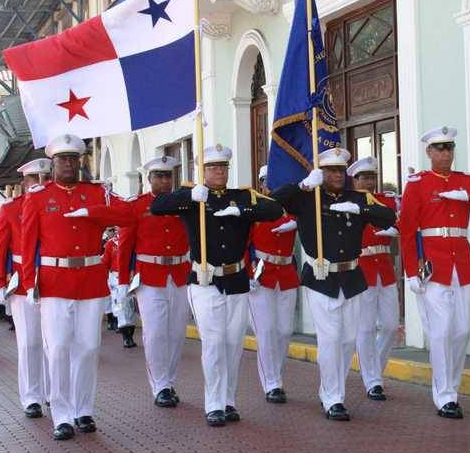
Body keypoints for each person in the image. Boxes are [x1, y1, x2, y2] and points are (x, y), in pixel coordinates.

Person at [150, 144, 283, 427]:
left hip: (236, 279)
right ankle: (214, 404)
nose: (219, 172)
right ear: (203, 170)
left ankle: (228, 400)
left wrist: (241, 211)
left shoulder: (242, 196)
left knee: (233, 344)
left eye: (223, 167)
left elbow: (274, 209)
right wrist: (189, 195)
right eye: (212, 167)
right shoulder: (194, 196)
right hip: (204, 280)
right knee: (213, 343)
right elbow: (157, 206)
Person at [271, 148, 397, 421]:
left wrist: (361, 209)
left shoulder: (357, 197)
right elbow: (273, 202)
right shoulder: (307, 198)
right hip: (321, 277)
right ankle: (333, 398)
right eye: (331, 171)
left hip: (351, 277)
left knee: (348, 340)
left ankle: (331, 390)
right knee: (330, 339)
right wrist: (303, 185)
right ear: (321, 172)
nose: (337, 175)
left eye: (340, 170)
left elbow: (388, 217)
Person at [399, 126, 470, 419]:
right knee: (442, 330)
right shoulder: (418, 184)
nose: (445, 153)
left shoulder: (467, 181)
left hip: (462, 265)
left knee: (461, 331)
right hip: (433, 267)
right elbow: (407, 230)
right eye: (440, 148)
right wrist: (411, 271)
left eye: (449, 148)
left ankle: (452, 388)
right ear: (429, 152)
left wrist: (469, 197)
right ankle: (445, 396)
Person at [66, 156, 190, 408]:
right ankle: (160, 386)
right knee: (155, 333)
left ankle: (170, 380)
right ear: (149, 179)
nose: (164, 180)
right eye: (159, 176)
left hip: (179, 273)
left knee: (176, 333)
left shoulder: (184, 203)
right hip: (149, 275)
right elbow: (124, 246)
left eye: (168, 176)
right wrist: (123, 280)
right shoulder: (138, 205)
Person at [21, 134, 122, 441]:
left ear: (80, 162)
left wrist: (95, 211)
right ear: (52, 164)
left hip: (90, 278)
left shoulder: (97, 193)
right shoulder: (38, 196)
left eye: (73, 159)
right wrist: (28, 282)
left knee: (89, 347)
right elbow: (28, 243)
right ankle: (62, 414)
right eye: (62, 159)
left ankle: (83, 409)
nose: (68, 163)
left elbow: (127, 217)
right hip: (54, 281)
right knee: (58, 349)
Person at [0, 158, 52, 418]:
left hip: (53, 280)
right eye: (34, 179)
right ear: (24, 183)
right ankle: (32, 397)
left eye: (45, 178)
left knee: (54, 342)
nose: (40, 183)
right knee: (29, 342)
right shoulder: (11, 208)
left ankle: (53, 393)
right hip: (21, 282)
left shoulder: (56, 204)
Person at [348, 157, 400, 402]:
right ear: (355, 180)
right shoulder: (348, 203)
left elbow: (402, 222)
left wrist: (396, 228)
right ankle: (373, 381)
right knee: (366, 327)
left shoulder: (387, 200)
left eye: (372, 177)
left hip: (385, 268)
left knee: (391, 325)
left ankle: (374, 370)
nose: (369, 182)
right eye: (365, 178)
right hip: (362, 268)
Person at [247, 165, 300, 404]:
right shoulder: (255, 207)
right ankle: (272, 383)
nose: (270, 185)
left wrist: (298, 222)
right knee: (266, 331)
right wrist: (248, 272)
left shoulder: (292, 208)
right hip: (262, 272)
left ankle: (275, 375)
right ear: (261, 184)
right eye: (266, 181)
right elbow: (244, 241)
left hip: (286, 272)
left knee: (284, 330)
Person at [101, 228, 120, 332]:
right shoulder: (110, 243)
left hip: (126, 275)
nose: (115, 231)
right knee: (114, 299)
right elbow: (106, 261)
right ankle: (114, 321)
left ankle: (123, 323)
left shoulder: (130, 241)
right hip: (113, 274)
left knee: (122, 299)